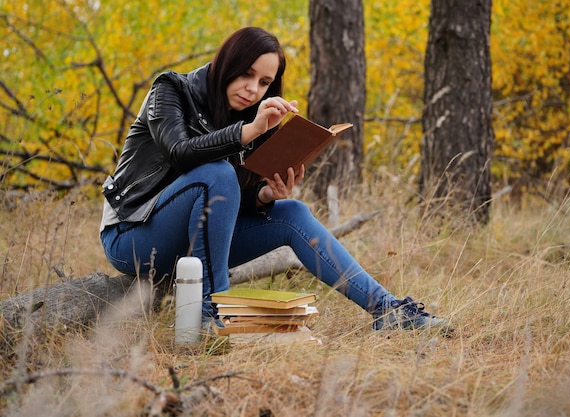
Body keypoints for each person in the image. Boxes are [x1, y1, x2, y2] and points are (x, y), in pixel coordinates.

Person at [99, 27, 447, 332]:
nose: (253, 89)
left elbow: (224, 202)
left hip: (195, 244)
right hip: (134, 236)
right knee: (216, 172)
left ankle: (388, 311)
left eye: (264, 83)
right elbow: (180, 152)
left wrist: (264, 195)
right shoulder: (171, 89)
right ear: (226, 64)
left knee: (292, 211)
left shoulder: (254, 118)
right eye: (246, 75)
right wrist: (248, 131)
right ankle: (213, 314)